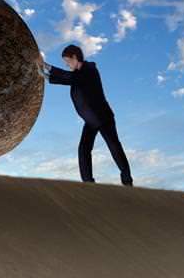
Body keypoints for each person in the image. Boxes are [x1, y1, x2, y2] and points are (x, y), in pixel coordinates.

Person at [40, 44, 133, 186]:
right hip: (91, 120)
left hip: (103, 117)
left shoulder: (89, 69)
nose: (66, 64)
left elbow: (69, 78)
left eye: (67, 61)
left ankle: (127, 181)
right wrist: (47, 69)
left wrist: (47, 72)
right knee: (84, 149)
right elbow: (70, 77)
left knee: (114, 146)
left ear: (75, 57)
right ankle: (88, 183)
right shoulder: (78, 74)